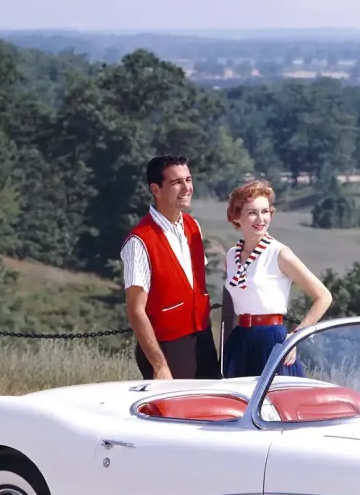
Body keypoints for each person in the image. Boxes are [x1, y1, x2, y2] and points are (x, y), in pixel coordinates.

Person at [121, 154, 221, 381]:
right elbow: (136, 311)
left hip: (203, 340)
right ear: (155, 189)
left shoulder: (193, 226)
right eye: (176, 182)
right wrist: (160, 366)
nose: (187, 188)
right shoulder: (139, 241)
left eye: (188, 180)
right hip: (168, 347)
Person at [222, 179, 332, 378]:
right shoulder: (231, 255)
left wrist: (295, 337)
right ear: (237, 216)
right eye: (252, 212)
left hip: (272, 340)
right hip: (240, 340)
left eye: (265, 211)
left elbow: (323, 296)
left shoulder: (279, 253)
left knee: (275, 397)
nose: (260, 219)